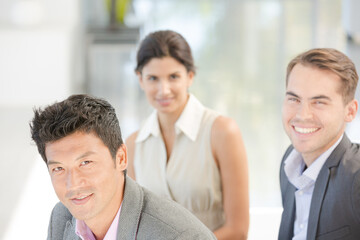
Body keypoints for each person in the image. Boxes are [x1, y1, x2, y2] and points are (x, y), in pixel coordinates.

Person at [30, 94, 217, 240]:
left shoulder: (180, 235)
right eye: (59, 169)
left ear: (121, 158)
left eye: (86, 163)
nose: (73, 184)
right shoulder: (62, 218)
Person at [126, 30, 249, 239]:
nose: (163, 90)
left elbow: (238, 230)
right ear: (140, 79)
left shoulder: (222, 132)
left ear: (190, 76)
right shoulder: (133, 145)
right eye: (153, 78)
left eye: (173, 77)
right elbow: (134, 225)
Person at [279, 48, 360, 240]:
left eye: (319, 102)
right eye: (294, 99)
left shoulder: (356, 177)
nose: (301, 115)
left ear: (350, 111)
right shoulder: (289, 162)